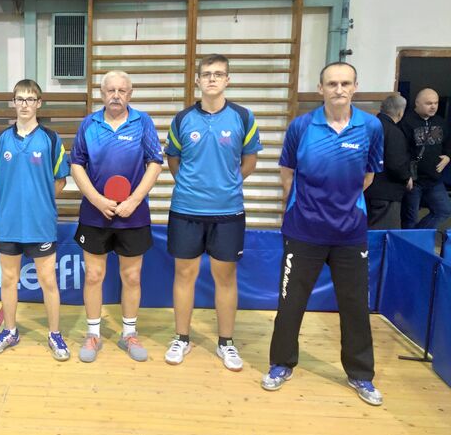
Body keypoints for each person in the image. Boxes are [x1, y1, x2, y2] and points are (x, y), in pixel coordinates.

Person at [262, 62, 385, 406]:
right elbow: (287, 172)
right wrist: (304, 205)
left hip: (350, 233)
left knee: (355, 306)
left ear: (355, 87)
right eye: (332, 84)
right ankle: (281, 364)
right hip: (303, 230)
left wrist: (342, 204)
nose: (339, 89)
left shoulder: (371, 127)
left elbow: (368, 176)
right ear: (320, 89)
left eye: (345, 83)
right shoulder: (301, 126)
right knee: (291, 303)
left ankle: (361, 374)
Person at [164, 54, 262, 370]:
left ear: (227, 80)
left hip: (228, 212)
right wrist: (191, 186)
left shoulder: (243, 117)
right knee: (184, 274)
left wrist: (226, 185)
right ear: (197, 80)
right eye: (206, 74)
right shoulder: (182, 119)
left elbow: (249, 161)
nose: (212, 79)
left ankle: (226, 343)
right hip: (186, 210)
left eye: (218, 74)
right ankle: (181, 338)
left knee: (226, 277)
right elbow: (173, 160)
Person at [70, 70, 163, 362]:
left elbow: (155, 163)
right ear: (102, 94)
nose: (116, 95)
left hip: (132, 214)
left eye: (122, 90)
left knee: (132, 276)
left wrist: (134, 200)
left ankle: (129, 334)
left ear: (130, 94)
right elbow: (76, 165)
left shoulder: (143, 122)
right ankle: (93, 334)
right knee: (93, 275)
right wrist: (96, 200)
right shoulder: (89, 123)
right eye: (111, 90)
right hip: (95, 213)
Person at [0, 79, 71, 360]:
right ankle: (10, 330)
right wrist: (12, 201)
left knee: (48, 280)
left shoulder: (51, 139)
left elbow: (60, 181)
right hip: (8, 223)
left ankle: (54, 334)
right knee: (9, 279)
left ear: (39, 103)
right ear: (13, 103)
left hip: (40, 223)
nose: (24, 104)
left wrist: (38, 201)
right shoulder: (0, 140)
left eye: (30, 99)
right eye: (20, 99)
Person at [400, 87, 451, 229]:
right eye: (429, 103)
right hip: (413, 181)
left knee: (444, 210)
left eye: (436, 103)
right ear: (417, 103)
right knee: (410, 218)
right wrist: (405, 175)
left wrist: (448, 156)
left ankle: (418, 235)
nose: (433, 106)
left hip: (434, 179)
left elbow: (448, 143)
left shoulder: (440, 122)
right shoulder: (406, 122)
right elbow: (400, 152)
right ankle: (412, 239)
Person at [364, 94, 411, 230]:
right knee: (383, 234)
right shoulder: (394, 132)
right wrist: (406, 177)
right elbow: (396, 164)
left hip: (364, 187)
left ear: (381, 108)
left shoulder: (366, 126)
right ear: (400, 113)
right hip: (386, 192)